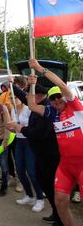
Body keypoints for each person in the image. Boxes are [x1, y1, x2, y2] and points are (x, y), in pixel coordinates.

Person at [26, 59, 83, 226]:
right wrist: (32, 85)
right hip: (65, 165)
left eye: (60, 99)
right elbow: (31, 105)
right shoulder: (52, 112)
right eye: (53, 100)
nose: (57, 103)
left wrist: (39, 68)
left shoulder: (75, 107)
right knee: (60, 202)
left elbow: (61, 85)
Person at [7, 76, 63, 225]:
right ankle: (56, 213)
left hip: (50, 155)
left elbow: (39, 133)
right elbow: (22, 97)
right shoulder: (36, 103)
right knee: (44, 183)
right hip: (39, 153)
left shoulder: (45, 110)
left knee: (50, 187)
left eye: (30, 95)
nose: (27, 99)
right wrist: (11, 85)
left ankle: (60, 217)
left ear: (38, 96)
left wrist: (20, 128)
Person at [10, 96, 44, 212]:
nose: (13, 99)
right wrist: (11, 127)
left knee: (31, 171)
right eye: (11, 97)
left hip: (29, 141)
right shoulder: (12, 109)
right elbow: (14, 128)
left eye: (15, 97)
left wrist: (20, 127)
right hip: (18, 141)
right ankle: (29, 195)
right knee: (19, 169)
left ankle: (40, 198)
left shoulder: (28, 109)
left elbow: (34, 126)